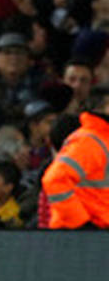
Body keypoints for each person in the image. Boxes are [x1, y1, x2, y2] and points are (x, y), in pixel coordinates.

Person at [42, 84, 109, 229]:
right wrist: (81, 224)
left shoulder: (100, 140)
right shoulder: (89, 141)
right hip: (82, 240)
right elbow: (54, 180)